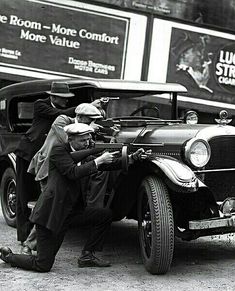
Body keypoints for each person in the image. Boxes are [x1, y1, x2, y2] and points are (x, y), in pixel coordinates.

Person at [0, 123, 148, 272]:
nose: (87, 143)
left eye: (89, 140)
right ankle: (9, 256)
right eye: (83, 140)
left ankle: (87, 256)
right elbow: (73, 172)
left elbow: (107, 165)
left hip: (70, 213)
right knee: (43, 264)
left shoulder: (83, 153)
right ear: (71, 139)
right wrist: (98, 160)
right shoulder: (58, 151)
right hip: (50, 214)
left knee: (104, 215)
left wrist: (131, 158)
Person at [21, 103, 103, 255]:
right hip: (48, 170)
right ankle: (29, 245)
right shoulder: (62, 121)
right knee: (47, 211)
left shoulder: (84, 130)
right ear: (79, 117)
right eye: (89, 120)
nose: (91, 123)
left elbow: (83, 149)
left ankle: (40, 245)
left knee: (56, 211)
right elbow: (69, 141)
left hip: (62, 170)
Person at [15, 81, 76, 245]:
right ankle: (23, 237)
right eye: (63, 98)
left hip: (44, 157)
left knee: (40, 197)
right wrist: (82, 108)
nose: (66, 101)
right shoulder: (40, 104)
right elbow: (58, 114)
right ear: (53, 97)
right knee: (23, 195)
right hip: (27, 153)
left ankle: (35, 236)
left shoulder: (60, 113)